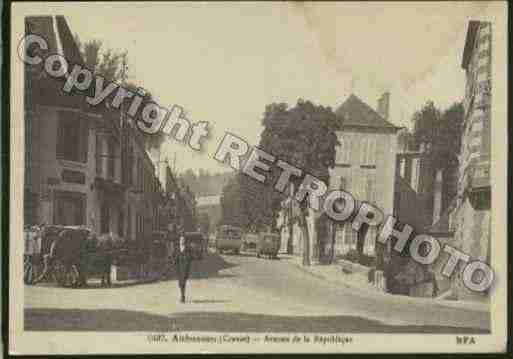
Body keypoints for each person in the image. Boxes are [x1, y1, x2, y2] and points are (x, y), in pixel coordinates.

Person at [173, 234, 193, 303]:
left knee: (183, 282)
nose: (182, 241)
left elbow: (190, 257)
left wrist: (187, 261)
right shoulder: (177, 248)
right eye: (181, 240)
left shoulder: (188, 248)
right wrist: (174, 262)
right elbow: (174, 256)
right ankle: (182, 294)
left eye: (183, 240)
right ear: (179, 241)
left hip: (185, 268)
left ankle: (182, 296)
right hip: (178, 267)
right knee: (180, 283)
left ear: (185, 241)